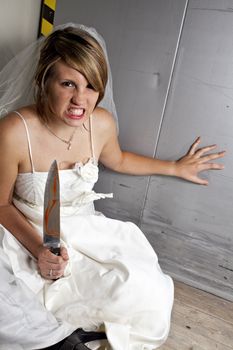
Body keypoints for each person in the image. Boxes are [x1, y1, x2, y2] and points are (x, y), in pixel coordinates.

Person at [0, 24, 225, 350]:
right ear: (43, 80)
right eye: (68, 83)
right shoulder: (13, 131)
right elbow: (1, 204)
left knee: (144, 295)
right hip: (24, 234)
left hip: (86, 233)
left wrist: (175, 167)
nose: (81, 99)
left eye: (92, 86)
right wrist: (39, 249)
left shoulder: (101, 123)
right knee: (17, 306)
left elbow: (118, 160)